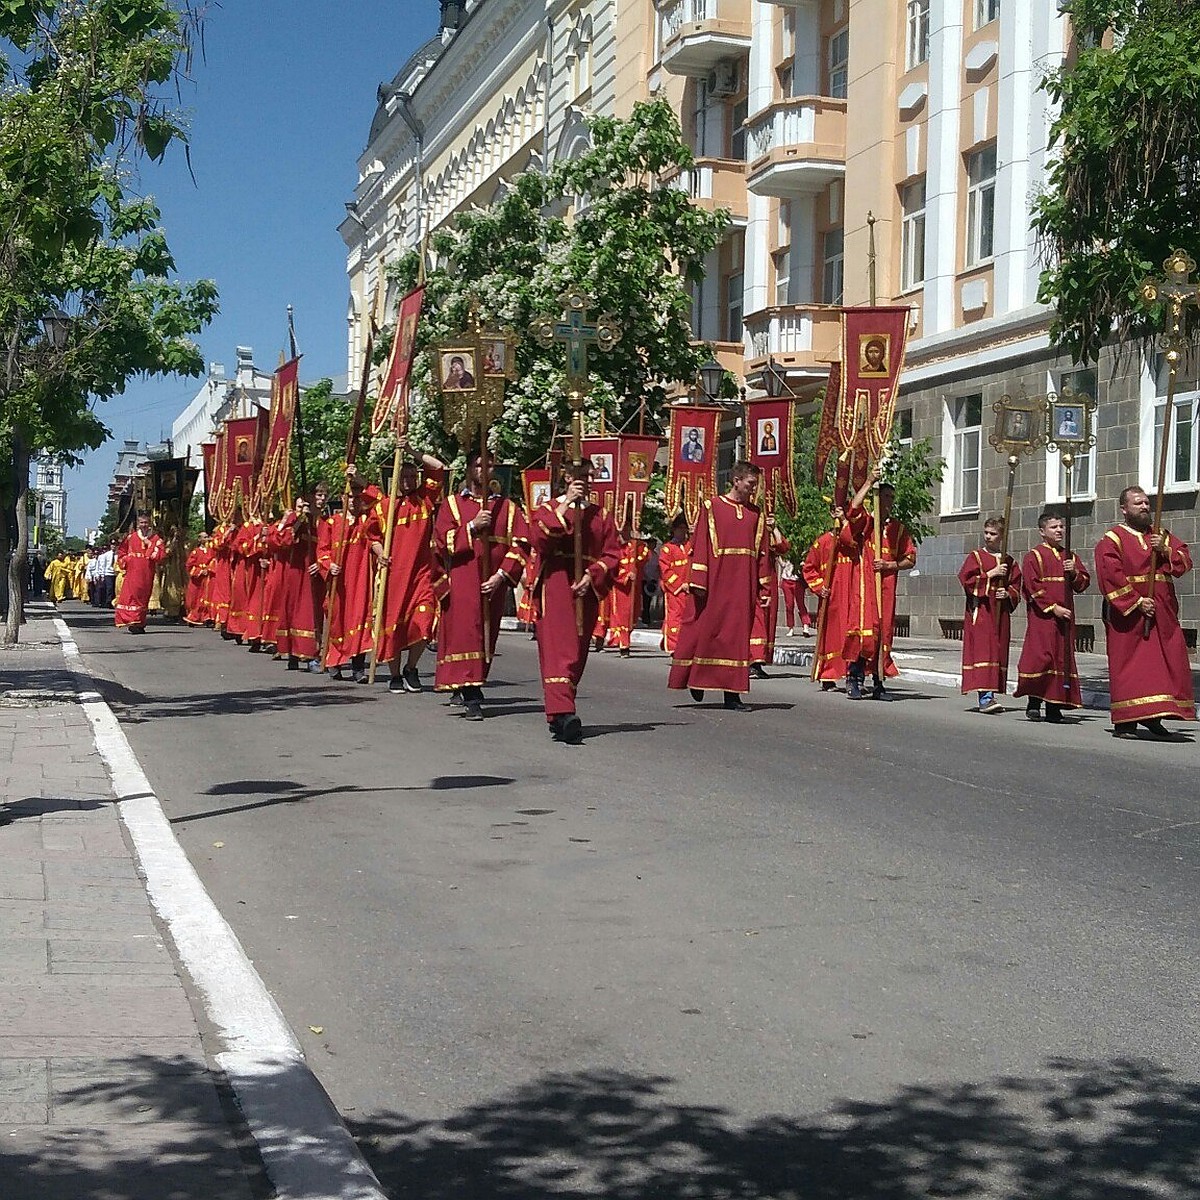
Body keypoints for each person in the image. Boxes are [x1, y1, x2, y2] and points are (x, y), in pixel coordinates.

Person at [528, 460, 621, 744]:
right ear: (567, 477)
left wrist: (593, 575)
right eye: (580, 476)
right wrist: (567, 503)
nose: (586, 481)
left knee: (577, 653)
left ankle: (558, 714)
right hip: (556, 584)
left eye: (589, 476)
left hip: (585, 590)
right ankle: (566, 713)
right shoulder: (547, 508)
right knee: (560, 652)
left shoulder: (600, 514)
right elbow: (539, 540)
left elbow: (613, 554)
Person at [431, 452, 530, 720]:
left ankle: (468, 684)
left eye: (489, 464)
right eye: (478, 464)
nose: (484, 468)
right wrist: (472, 527)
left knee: (486, 637)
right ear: (468, 469)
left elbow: (521, 544)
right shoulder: (452, 504)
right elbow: (442, 543)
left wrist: (501, 576)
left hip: (492, 583)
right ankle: (472, 692)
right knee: (466, 633)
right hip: (463, 580)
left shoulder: (507, 507)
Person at [668, 461, 770, 711]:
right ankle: (697, 679)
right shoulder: (712, 507)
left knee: (736, 638)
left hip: (742, 585)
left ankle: (732, 695)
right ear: (736, 481)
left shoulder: (756, 514)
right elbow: (700, 544)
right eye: (749, 484)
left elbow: (763, 554)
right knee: (707, 632)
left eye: (755, 485)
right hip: (715, 582)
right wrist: (698, 580)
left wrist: (764, 588)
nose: (752, 489)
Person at [1095, 486, 1196, 738]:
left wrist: (1165, 550)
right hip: (1128, 614)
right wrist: (1138, 601)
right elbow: (1110, 576)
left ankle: (1154, 714)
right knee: (1130, 665)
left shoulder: (1160, 535)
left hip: (1162, 611)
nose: (1144, 507)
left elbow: (1184, 561)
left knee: (1161, 664)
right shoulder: (1113, 539)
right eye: (1138, 503)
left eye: (1146, 503)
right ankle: (1126, 721)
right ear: (1124, 509)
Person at [367, 453, 445, 692]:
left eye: (413, 476)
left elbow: (439, 467)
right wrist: (381, 553)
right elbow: (372, 537)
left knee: (424, 622)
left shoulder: (425, 499)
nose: (409, 481)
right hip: (394, 576)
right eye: (405, 477)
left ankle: (411, 668)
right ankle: (395, 676)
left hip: (421, 574)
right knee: (393, 627)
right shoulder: (384, 507)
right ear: (396, 480)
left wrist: (411, 450)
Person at [842, 469, 916, 700]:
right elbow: (853, 509)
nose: (890, 502)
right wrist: (869, 482)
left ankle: (879, 683)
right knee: (866, 631)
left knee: (884, 634)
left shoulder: (898, 529)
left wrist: (889, 565)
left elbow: (910, 559)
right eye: (885, 496)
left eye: (892, 498)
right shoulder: (867, 523)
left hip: (886, 587)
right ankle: (854, 678)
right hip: (865, 587)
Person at [1014, 511, 1090, 722]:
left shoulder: (1070, 557)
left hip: (1065, 620)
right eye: (1053, 527)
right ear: (1042, 531)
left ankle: (1054, 706)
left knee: (1061, 659)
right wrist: (1053, 608)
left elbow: (1083, 583)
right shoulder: (1034, 556)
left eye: (1061, 527)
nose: (1059, 531)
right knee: (1041, 658)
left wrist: (1074, 572)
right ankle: (1034, 701)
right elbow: (1032, 586)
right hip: (1044, 618)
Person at [957, 517, 1021, 714]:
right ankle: (985, 698)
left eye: (993, 534)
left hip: (999, 612)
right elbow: (966, 580)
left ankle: (990, 694)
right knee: (984, 651)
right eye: (986, 532)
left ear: (1001, 536)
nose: (988, 537)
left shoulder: (1009, 561)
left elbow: (1017, 585)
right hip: (982, 611)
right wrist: (990, 574)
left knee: (997, 652)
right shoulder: (976, 557)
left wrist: (1008, 593)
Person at [319, 472, 377, 682]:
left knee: (361, 618)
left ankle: (358, 666)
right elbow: (322, 550)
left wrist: (361, 480)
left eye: (357, 496)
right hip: (339, 582)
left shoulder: (367, 520)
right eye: (350, 497)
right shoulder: (332, 522)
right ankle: (334, 661)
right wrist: (328, 564)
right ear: (343, 499)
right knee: (337, 619)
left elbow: (378, 498)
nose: (354, 500)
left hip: (360, 580)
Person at [266, 495, 323, 670]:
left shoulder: (321, 522)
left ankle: (313, 653)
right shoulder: (291, 524)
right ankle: (292, 652)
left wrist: (321, 563)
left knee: (312, 614)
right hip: (293, 573)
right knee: (292, 613)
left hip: (313, 573)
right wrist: (296, 521)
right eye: (299, 507)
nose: (302, 509)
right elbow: (279, 541)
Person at [750, 517, 790, 678]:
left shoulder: (767, 534)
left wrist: (773, 528)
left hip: (769, 581)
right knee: (755, 622)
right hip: (751, 581)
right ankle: (750, 660)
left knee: (768, 621)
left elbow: (784, 548)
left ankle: (759, 661)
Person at [605, 523, 651, 657]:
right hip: (620, 588)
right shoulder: (614, 547)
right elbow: (611, 568)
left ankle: (625, 641)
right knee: (622, 616)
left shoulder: (636, 546)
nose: (625, 532)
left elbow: (644, 557)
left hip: (634, 588)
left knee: (633, 615)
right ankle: (624, 645)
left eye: (627, 529)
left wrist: (638, 542)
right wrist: (625, 576)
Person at [114, 513, 166, 632]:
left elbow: (161, 555)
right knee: (131, 595)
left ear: (149, 524)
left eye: (146, 523)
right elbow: (122, 552)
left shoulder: (155, 539)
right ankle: (132, 621)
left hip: (147, 571)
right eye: (141, 523)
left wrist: (150, 545)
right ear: (138, 524)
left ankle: (140, 622)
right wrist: (126, 559)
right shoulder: (131, 537)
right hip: (133, 571)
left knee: (143, 596)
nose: (144, 525)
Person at [658, 515, 693, 654]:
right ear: (673, 530)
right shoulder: (667, 549)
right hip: (675, 591)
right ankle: (674, 646)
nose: (682, 532)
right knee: (675, 617)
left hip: (690, 589)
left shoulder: (690, 546)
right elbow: (665, 571)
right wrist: (679, 585)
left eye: (684, 529)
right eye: (680, 529)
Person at [779, 557, 812, 636]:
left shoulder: (801, 551)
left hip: (798, 581)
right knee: (789, 605)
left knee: (800, 603)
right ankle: (791, 628)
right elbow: (783, 564)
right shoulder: (786, 553)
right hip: (787, 580)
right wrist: (778, 557)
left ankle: (806, 626)